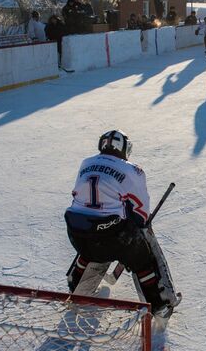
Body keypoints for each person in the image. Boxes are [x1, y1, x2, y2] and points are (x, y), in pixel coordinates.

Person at [64, 130, 180, 319]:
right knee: (142, 258)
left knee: (90, 245)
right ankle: (159, 305)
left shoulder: (86, 163)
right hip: (113, 237)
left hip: (76, 233)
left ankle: (77, 288)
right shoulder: (132, 170)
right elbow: (141, 213)